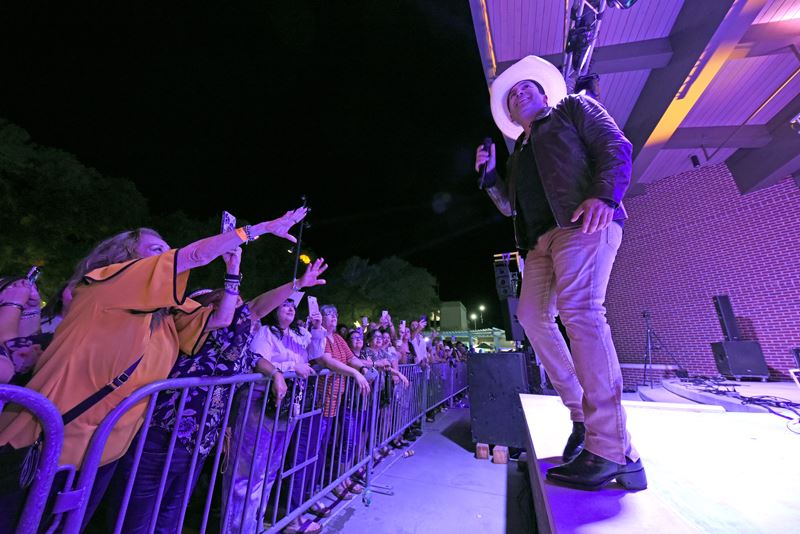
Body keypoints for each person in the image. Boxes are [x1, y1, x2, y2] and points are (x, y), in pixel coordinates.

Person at [0, 206, 309, 527]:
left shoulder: (167, 315)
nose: (168, 255)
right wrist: (257, 229)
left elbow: (224, 317)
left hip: (100, 457)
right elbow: (192, 256)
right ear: (125, 255)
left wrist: (234, 269)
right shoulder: (107, 282)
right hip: (45, 447)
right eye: (156, 249)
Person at [475, 55, 645, 491]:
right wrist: (491, 176)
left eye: (526, 87)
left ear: (545, 94)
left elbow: (615, 145)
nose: (519, 92)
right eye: (512, 95)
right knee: (532, 319)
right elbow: (512, 206)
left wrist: (605, 195)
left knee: (582, 313)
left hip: (581, 224)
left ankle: (614, 450)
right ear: (511, 115)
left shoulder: (574, 108)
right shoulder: (520, 154)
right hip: (539, 244)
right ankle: (581, 418)